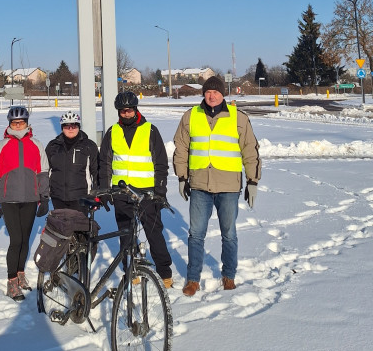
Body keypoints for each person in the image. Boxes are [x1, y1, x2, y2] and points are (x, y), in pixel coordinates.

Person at [173, 76, 261, 295]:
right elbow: (181, 148)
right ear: (203, 93)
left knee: (229, 234)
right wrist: (182, 177)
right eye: (208, 92)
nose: (212, 96)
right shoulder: (191, 116)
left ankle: (229, 276)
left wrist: (252, 181)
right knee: (195, 234)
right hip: (200, 185)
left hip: (229, 186)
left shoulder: (238, 118)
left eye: (216, 92)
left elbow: (250, 150)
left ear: (223, 94)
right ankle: (193, 279)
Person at [99, 91, 173, 289]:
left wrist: (160, 190)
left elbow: (161, 163)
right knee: (126, 234)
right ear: (118, 112)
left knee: (154, 233)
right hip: (121, 193)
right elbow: (104, 163)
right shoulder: (112, 132)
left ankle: (164, 272)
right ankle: (130, 269)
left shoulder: (150, 130)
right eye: (123, 111)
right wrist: (105, 189)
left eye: (129, 110)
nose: (126, 114)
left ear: (135, 109)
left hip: (146, 193)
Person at [0, 105, 49, 301]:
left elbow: (43, 172)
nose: (18, 125)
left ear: (27, 123)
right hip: (9, 199)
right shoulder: (2, 145)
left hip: (30, 198)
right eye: (14, 123)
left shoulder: (36, 144)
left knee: (25, 239)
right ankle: (11, 281)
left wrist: (44, 197)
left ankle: (20, 273)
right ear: (9, 124)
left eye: (21, 122)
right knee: (15, 241)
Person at [45, 111, 99, 215]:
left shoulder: (89, 146)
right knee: (60, 224)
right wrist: (44, 193)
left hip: (81, 196)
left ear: (79, 127)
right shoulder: (53, 146)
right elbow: (45, 170)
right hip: (58, 196)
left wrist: (96, 193)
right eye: (67, 126)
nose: (70, 129)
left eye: (74, 126)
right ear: (62, 128)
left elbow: (96, 171)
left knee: (79, 224)